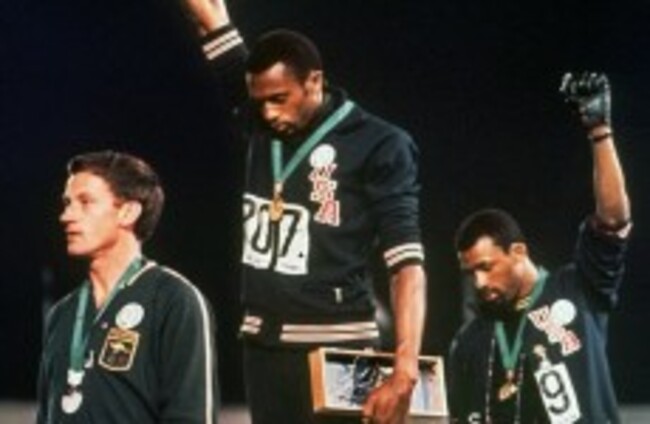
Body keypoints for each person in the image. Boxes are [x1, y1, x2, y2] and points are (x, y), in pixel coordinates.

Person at [179, 1, 427, 423]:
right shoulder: (260, 117)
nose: (269, 113)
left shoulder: (381, 144)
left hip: (339, 344)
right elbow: (212, 19)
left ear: (315, 81)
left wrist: (405, 367)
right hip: (262, 344)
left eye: (280, 99)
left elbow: (406, 264)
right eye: (260, 102)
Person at [447, 72, 631, 423]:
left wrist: (599, 133)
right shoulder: (469, 342)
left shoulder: (578, 288)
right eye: (470, 273)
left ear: (518, 252)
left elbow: (613, 219)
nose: (479, 283)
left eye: (486, 267)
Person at [37, 151, 219, 423]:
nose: (66, 215)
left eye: (85, 202)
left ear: (128, 212)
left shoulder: (174, 300)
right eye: (67, 203)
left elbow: (191, 416)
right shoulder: (62, 313)